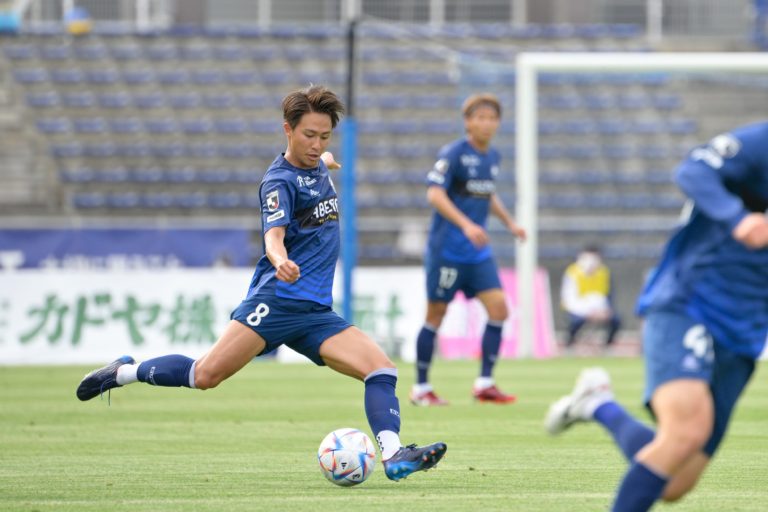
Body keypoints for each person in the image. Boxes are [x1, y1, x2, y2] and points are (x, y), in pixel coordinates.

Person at [76, 85, 447, 481]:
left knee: (381, 370)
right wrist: (281, 259)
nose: (316, 144)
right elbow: (273, 235)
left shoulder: (317, 162)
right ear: (288, 129)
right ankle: (123, 372)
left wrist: (327, 160)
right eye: (309, 135)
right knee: (204, 376)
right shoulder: (278, 183)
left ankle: (394, 455)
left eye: (324, 136)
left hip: (314, 311)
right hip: (277, 302)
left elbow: (320, 160)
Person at [544, 122, 768, 511]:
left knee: (675, 482)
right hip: (691, 300)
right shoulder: (760, 143)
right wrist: (738, 218)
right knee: (686, 432)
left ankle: (598, 405)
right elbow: (694, 170)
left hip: (743, 330)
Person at [410, 93, 527, 406]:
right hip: (447, 251)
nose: (486, 123)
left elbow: (487, 194)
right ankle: (421, 388)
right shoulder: (453, 153)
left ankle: (485, 383)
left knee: (499, 309)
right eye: (480, 117)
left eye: (492, 118)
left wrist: (510, 223)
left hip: (477, 254)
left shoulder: (493, 157)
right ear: (468, 122)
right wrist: (466, 225)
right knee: (436, 314)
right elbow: (435, 194)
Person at [560, 245, 621, 353]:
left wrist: (605, 310)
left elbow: (606, 295)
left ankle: (607, 347)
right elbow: (569, 299)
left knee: (616, 320)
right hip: (578, 309)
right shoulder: (572, 273)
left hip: (599, 309)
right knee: (576, 321)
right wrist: (587, 312)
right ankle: (569, 346)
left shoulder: (604, 272)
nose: (592, 262)